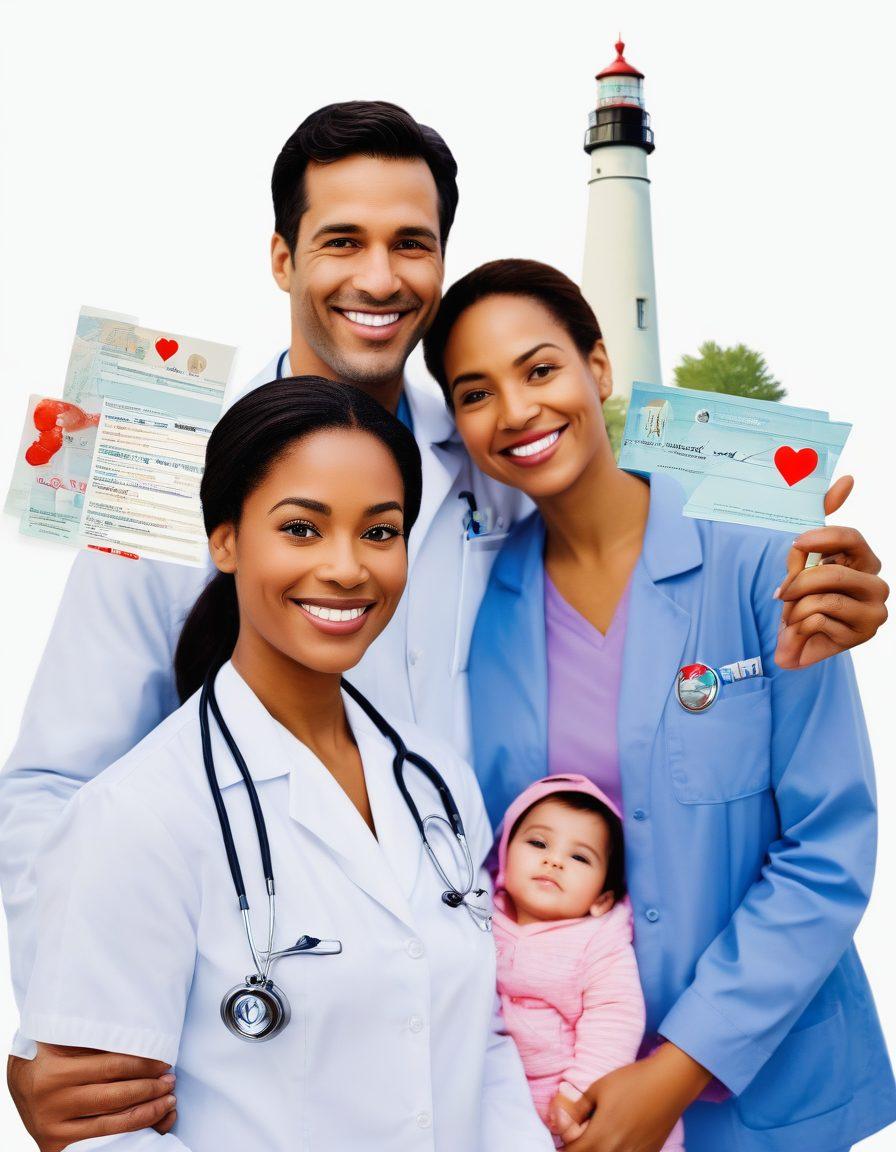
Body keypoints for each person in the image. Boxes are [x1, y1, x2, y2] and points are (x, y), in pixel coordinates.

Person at [0, 103, 889, 1147]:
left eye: (409, 244)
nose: (377, 279)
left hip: (503, 1025)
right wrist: (66, 1031)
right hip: (281, 1022)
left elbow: (633, 481)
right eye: (340, 240)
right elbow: (56, 785)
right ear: (281, 256)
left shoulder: (489, 457)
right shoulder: (169, 473)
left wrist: (805, 556)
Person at [422, 258, 896, 1151]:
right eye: (475, 393)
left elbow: (829, 847)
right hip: (562, 1105)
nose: (517, 412)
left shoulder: (761, 559)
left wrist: (676, 1070)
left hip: (767, 1097)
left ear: (599, 368)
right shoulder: (481, 610)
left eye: (539, 369)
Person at [18, 377, 553, 1152]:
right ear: (226, 540)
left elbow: (483, 1043)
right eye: (302, 529)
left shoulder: (438, 782)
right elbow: (104, 1138)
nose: (347, 568)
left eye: (380, 532)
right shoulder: (136, 816)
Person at [492, 774, 686, 1152]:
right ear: (504, 861)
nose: (554, 860)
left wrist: (579, 1093)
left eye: (579, 856)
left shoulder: (598, 942)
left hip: (579, 1111)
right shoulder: (479, 918)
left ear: (602, 898)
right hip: (504, 1110)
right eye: (538, 842)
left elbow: (615, 1018)